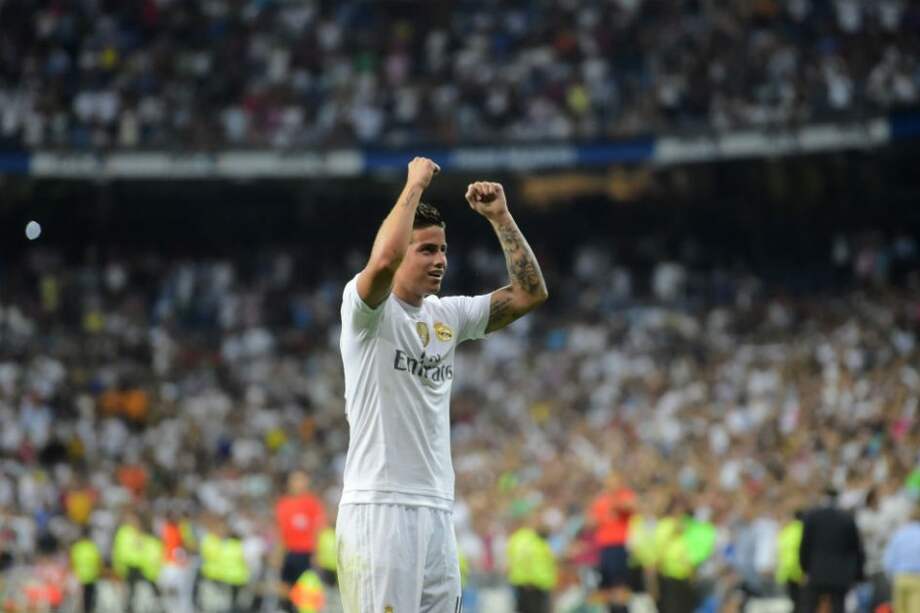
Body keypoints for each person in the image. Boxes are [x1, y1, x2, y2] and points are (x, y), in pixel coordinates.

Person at [336, 157, 548, 612]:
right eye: (426, 249)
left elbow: (529, 294)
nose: (440, 261)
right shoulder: (366, 312)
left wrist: (501, 217)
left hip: (435, 509)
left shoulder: (447, 315)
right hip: (380, 509)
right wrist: (414, 184)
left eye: (443, 249)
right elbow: (385, 259)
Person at [799, 487, 865, 613]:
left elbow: (805, 545)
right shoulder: (846, 518)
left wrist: (804, 568)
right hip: (840, 574)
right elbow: (856, 548)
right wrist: (857, 574)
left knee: (809, 606)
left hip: (816, 571)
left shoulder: (812, 516)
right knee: (838, 607)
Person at [275, 470, 326, 613]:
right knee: (285, 587)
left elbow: (318, 530)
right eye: (295, 480)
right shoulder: (283, 504)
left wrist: (317, 554)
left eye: (301, 480)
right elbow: (281, 532)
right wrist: (278, 554)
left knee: (306, 592)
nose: (298, 483)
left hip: (306, 553)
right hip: (289, 552)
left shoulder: (312, 503)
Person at [588, 473, 636, 613]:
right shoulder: (601, 500)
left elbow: (630, 507)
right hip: (604, 547)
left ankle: (622, 609)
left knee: (620, 583)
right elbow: (592, 522)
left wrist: (613, 501)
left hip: (619, 546)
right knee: (607, 584)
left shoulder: (624, 495)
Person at [882, 503, 920, 613]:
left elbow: (888, 560)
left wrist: (891, 578)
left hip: (900, 578)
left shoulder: (899, 534)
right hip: (917, 579)